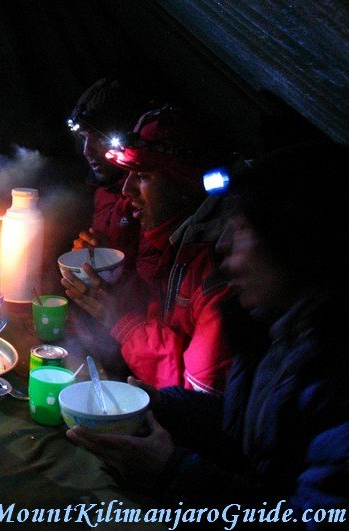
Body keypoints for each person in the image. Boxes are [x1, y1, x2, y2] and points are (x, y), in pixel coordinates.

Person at [67, 141, 349, 527]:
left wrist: (174, 474)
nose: (222, 243)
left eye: (238, 229)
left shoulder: (335, 373)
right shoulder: (276, 332)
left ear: (292, 239)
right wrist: (157, 404)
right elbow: (240, 434)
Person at [61, 105, 233, 393]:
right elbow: (157, 313)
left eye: (142, 176)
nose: (126, 190)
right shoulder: (171, 241)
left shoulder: (216, 273)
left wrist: (122, 320)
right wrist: (114, 277)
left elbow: (197, 394)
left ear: (183, 183)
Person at [66, 77, 158, 284]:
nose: (87, 150)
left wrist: (112, 262)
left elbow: (155, 287)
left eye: (99, 138)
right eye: (83, 138)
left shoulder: (147, 195)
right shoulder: (103, 189)